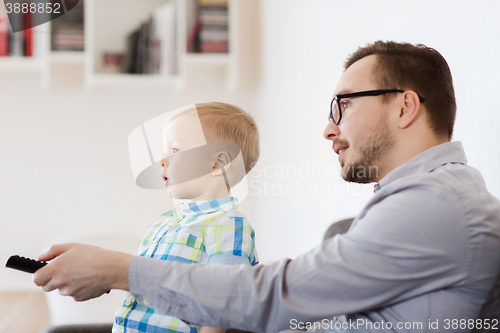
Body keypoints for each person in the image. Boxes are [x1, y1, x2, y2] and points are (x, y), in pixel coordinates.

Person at [34, 41, 500, 333]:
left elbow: (276, 295)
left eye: (342, 107)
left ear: (404, 107)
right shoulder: (421, 199)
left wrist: (120, 271)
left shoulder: (437, 204)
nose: (328, 129)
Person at [113, 102, 260, 333]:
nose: (162, 159)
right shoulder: (162, 225)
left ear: (218, 164)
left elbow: (222, 303)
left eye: (175, 150)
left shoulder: (229, 225)